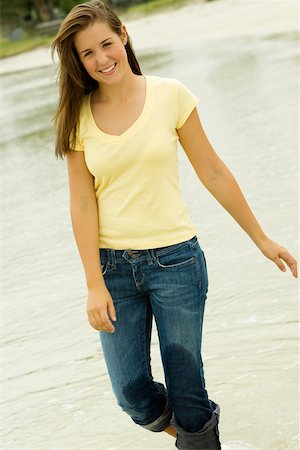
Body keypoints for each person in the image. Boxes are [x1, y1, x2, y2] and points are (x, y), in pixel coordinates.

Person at [51, 1, 298, 449]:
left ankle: (199, 439)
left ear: (123, 35)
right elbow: (82, 204)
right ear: (78, 61)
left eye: (107, 44)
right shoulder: (77, 116)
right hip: (114, 272)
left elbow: (213, 171)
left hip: (177, 264)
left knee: (188, 392)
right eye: (88, 54)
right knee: (132, 394)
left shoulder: (171, 95)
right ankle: (200, 440)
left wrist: (261, 238)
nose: (102, 59)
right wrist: (93, 282)